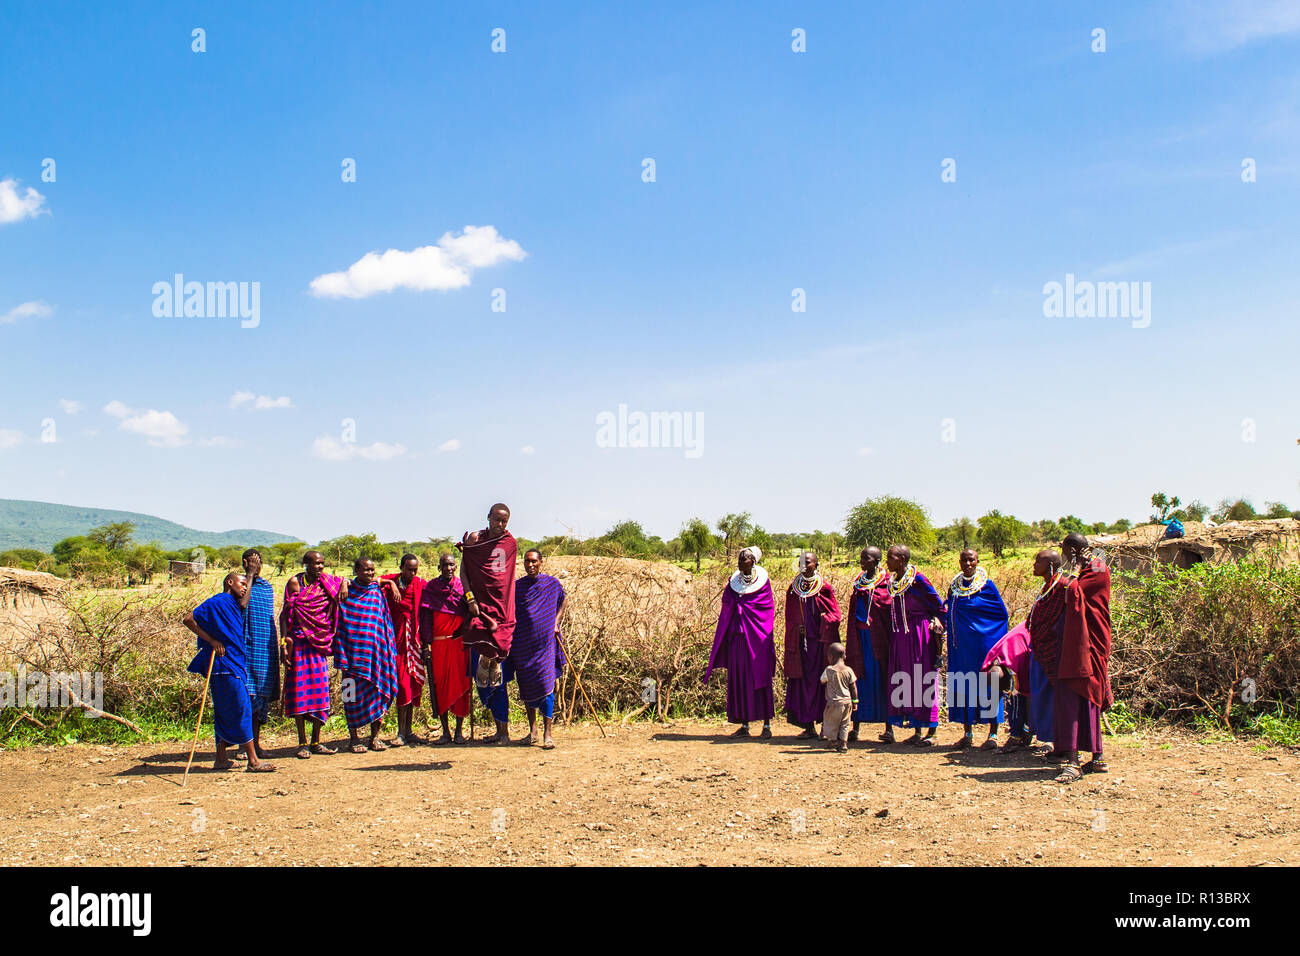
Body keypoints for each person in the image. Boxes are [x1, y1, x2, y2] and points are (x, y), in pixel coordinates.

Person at [183, 570, 275, 772]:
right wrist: (212, 640)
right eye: (242, 583)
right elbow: (189, 619)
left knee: (224, 712)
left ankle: (221, 759)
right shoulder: (219, 601)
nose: (244, 587)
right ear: (229, 582)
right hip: (225, 666)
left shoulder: (233, 604)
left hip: (229, 664)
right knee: (243, 709)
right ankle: (253, 761)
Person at [1053, 533, 1112, 784]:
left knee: (1079, 697)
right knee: (1085, 697)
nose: (1064, 557)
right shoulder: (1091, 566)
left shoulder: (1097, 568)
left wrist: (1075, 570)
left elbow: (1072, 593)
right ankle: (1096, 757)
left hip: (1088, 645)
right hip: (1079, 643)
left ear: (1075, 550)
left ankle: (1074, 763)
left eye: (1066, 551)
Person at [705, 545, 776, 738]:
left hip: (758, 639)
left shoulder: (763, 583)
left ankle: (767, 725)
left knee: (760, 678)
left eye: (744, 558)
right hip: (737, 639)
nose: (740, 561)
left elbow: (766, 609)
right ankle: (744, 725)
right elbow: (726, 602)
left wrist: (745, 610)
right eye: (739, 558)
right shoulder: (733, 583)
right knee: (740, 680)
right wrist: (735, 606)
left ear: (753, 561)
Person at [281, 551, 346, 758]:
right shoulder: (295, 583)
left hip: (319, 645)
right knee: (299, 693)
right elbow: (285, 614)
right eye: (316, 564)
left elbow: (346, 582)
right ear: (306, 564)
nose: (320, 567)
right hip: (299, 645)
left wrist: (343, 583)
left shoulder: (328, 582)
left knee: (319, 693)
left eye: (322, 564)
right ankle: (302, 742)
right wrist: (283, 641)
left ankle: (317, 741)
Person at [945, 548, 1010, 749]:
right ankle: (968, 733)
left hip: (983, 646)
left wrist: (991, 641)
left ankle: (992, 734)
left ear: (978, 561)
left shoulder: (987, 587)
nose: (967, 564)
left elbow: (1001, 616)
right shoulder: (954, 588)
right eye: (963, 560)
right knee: (964, 685)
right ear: (959, 561)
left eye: (971, 560)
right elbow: (949, 611)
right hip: (961, 647)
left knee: (988, 684)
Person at [883, 544, 945, 746]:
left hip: (919, 636)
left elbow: (938, 605)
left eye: (890, 558)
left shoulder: (918, 580)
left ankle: (932, 730)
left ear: (901, 559)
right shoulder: (894, 581)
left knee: (923, 678)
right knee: (907, 680)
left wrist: (936, 621)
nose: (887, 561)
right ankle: (917, 729)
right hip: (900, 636)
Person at [336, 557, 398, 754]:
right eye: (366, 570)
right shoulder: (346, 592)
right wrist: (344, 582)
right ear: (356, 570)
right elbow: (341, 623)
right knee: (350, 695)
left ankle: (375, 737)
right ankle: (354, 738)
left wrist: (390, 583)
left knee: (377, 694)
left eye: (372, 570)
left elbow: (383, 623)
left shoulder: (376, 592)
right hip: (351, 658)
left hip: (376, 658)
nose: (370, 574)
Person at [508, 549, 566, 749]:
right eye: (526, 562)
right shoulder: (517, 587)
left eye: (534, 561)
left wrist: (556, 622)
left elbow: (563, 601)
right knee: (526, 686)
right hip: (523, 644)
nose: (530, 565)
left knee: (546, 686)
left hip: (546, 645)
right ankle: (532, 731)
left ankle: (548, 734)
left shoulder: (552, 584)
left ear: (541, 562)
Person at [458, 503, 518, 693]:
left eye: (504, 521)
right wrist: (470, 599)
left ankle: (491, 661)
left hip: (503, 600)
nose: (499, 524)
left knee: (503, 639)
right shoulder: (476, 540)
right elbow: (464, 571)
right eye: (496, 519)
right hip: (480, 600)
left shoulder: (510, 542)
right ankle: (485, 660)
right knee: (480, 631)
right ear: (488, 517)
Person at [783, 551, 841, 739]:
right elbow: (789, 617)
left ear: (816, 564)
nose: (803, 565)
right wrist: (795, 630)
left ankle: (826, 726)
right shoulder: (793, 589)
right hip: (801, 647)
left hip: (819, 646)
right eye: (800, 562)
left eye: (807, 562)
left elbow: (835, 616)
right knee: (802, 685)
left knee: (822, 684)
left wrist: (818, 625)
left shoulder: (824, 588)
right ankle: (808, 726)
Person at [418, 553, 472, 744]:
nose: (448, 568)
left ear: (456, 567)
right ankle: (446, 732)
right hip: (439, 645)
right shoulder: (431, 588)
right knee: (439, 686)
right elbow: (425, 619)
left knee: (461, 686)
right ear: (439, 567)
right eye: (445, 565)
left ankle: (459, 732)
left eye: (451, 565)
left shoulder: (463, 587)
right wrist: (425, 645)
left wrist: (466, 630)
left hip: (459, 645)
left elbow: (471, 613)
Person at [846, 546, 892, 743]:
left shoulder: (888, 583)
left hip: (879, 640)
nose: (862, 561)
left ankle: (889, 728)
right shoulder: (859, 582)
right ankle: (856, 727)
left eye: (866, 558)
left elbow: (888, 609)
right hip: (861, 639)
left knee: (883, 680)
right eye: (861, 558)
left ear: (877, 560)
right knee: (859, 679)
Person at [1025, 549, 1068, 755]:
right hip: (1039, 649)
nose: (1034, 565)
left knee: (1052, 696)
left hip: (1053, 651)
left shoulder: (1062, 587)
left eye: (1038, 561)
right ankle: (1046, 737)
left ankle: (1055, 740)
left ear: (1050, 566)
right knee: (1040, 694)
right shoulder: (1047, 587)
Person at [382, 553, 427, 746]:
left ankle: (408, 731)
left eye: (415, 569)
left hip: (413, 642)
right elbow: (371, 580)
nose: (412, 572)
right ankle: (400, 732)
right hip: (395, 642)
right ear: (401, 568)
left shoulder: (419, 584)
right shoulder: (391, 581)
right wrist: (391, 585)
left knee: (413, 683)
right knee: (402, 685)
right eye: (409, 568)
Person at [240, 548, 279, 759]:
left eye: (258, 563)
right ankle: (242, 746)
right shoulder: (237, 584)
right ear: (245, 563)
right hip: (244, 648)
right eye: (252, 562)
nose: (256, 566)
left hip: (264, 649)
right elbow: (242, 604)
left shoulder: (266, 587)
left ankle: (255, 744)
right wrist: (249, 576)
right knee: (245, 697)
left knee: (260, 699)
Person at [982, 621, 1033, 750]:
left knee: (1027, 696)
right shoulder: (993, 657)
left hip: (1033, 641)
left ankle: (1033, 733)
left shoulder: (1022, 661)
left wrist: (1027, 728)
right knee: (1014, 698)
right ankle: (1016, 733)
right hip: (1014, 658)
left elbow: (1029, 695)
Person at [820, 642, 858, 754]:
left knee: (831, 722)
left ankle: (833, 741)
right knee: (845, 723)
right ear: (844, 656)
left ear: (831, 656)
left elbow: (822, 680)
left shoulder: (829, 670)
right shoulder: (849, 670)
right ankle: (844, 744)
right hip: (847, 702)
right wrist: (855, 701)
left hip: (834, 703)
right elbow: (853, 687)